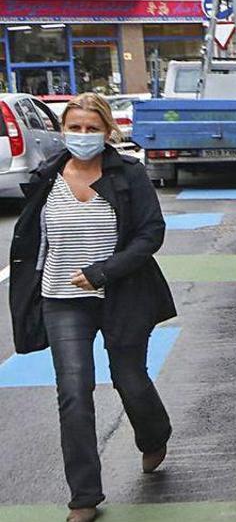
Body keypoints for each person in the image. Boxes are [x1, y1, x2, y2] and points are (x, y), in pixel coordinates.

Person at [9, 93, 177, 522]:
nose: (82, 136)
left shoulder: (128, 175)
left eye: (91, 128)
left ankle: (154, 435)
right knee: (73, 393)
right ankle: (84, 497)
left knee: (130, 380)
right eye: (75, 128)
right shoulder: (48, 176)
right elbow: (31, 241)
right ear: (64, 130)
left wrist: (104, 271)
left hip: (121, 295)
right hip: (62, 300)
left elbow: (150, 234)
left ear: (107, 132)